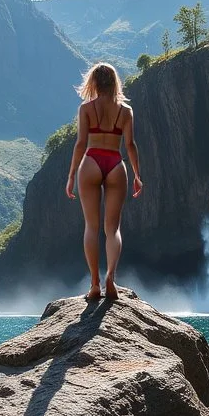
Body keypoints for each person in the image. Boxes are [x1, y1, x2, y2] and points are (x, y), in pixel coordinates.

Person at [65, 62, 142, 301]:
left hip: (91, 161)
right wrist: (138, 175)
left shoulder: (86, 109)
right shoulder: (126, 111)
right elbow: (130, 145)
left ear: (94, 83)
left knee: (91, 226)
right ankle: (111, 276)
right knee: (113, 229)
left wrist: (70, 175)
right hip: (115, 163)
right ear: (115, 82)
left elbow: (80, 143)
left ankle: (95, 284)